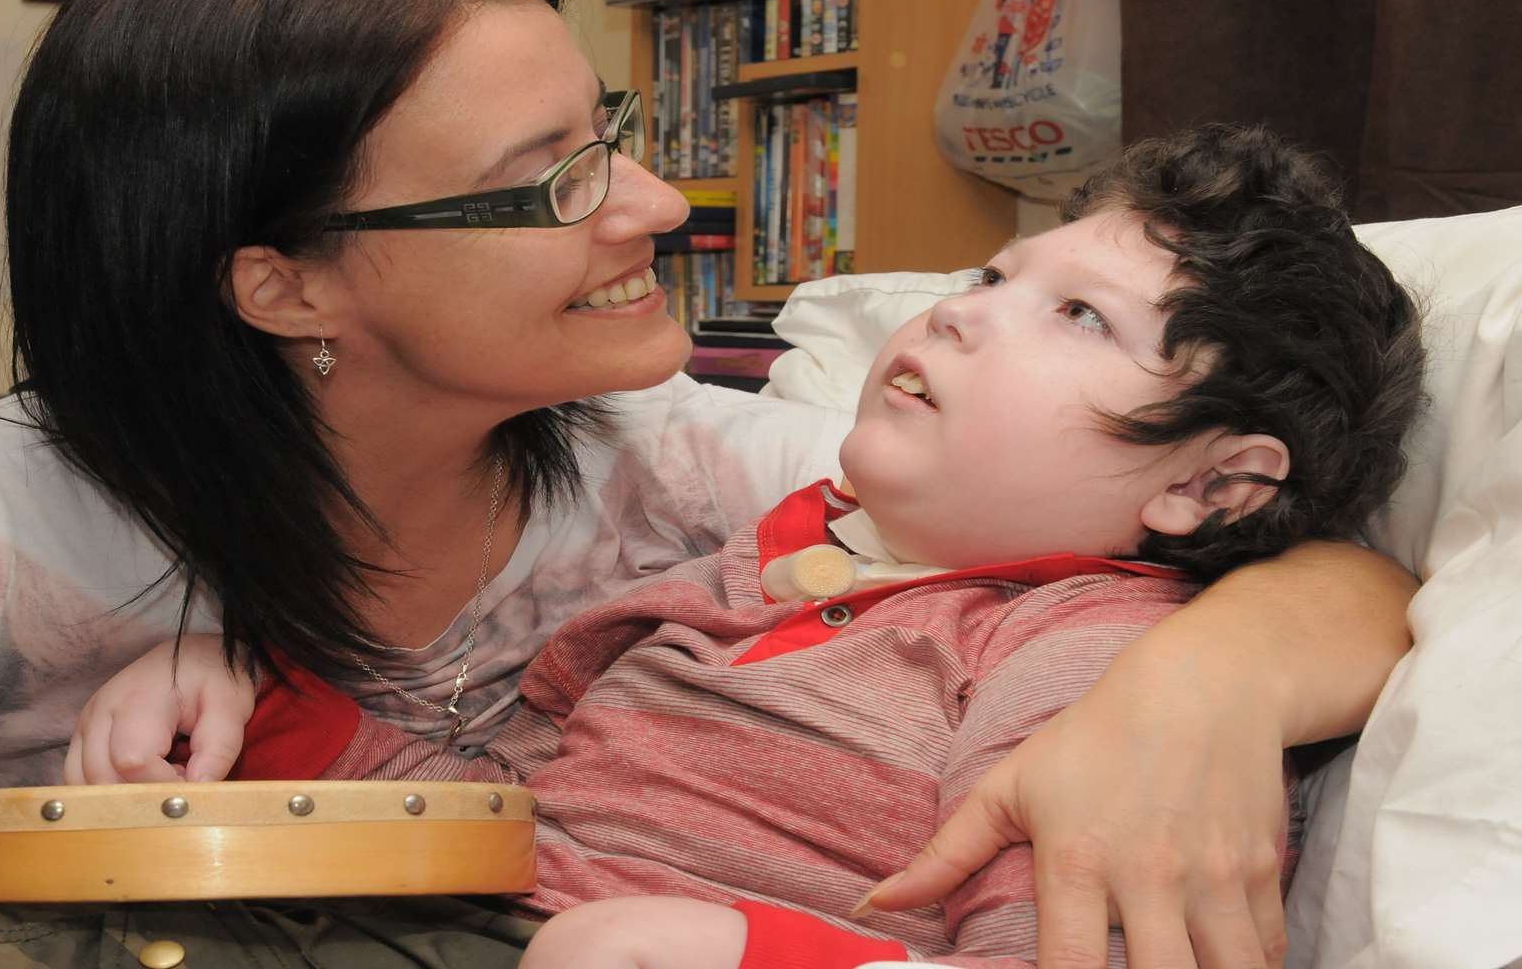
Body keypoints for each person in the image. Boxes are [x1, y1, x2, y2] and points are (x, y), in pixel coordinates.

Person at [0, 0, 1414, 969]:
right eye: (546, 180)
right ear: (286, 285)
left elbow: (1311, 560)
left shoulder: (703, 475)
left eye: (611, 123)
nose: (657, 197)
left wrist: (1191, 692)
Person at [77, 125, 1427, 967]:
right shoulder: (763, 559)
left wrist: (736, 952)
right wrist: (263, 699)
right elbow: (508, 808)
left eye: (1081, 318)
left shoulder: (1076, 656)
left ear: (1209, 487)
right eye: (994, 279)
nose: (966, 315)